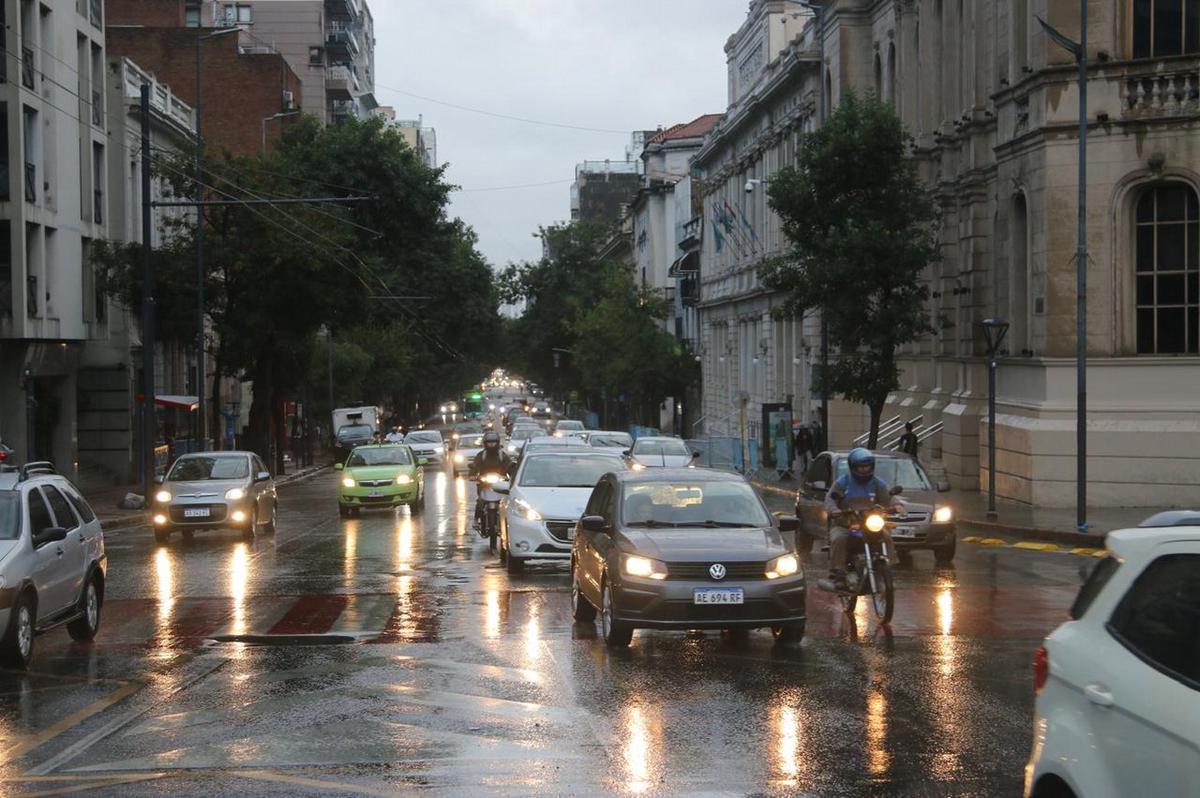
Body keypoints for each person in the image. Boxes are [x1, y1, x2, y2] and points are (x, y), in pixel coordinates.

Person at [824, 447, 897, 590]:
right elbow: (829, 499)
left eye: (867, 466)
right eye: (861, 467)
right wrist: (834, 510)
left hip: (869, 523)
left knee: (886, 536)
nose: (865, 469)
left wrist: (898, 505)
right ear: (853, 467)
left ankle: (888, 567)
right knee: (839, 539)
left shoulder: (877, 483)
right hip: (845, 524)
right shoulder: (842, 482)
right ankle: (838, 573)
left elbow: (889, 497)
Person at [470, 431, 511, 528]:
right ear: (485, 443)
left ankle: (507, 522)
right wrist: (472, 475)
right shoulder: (481, 455)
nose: (491, 444)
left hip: (500, 485)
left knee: (506, 504)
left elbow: (509, 466)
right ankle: (476, 519)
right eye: (489, 442)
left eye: (494, 442)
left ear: (497, 443)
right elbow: (475, 465)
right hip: (484, 484)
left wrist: (511, 475)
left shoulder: (502, 456)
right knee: (480, 501)